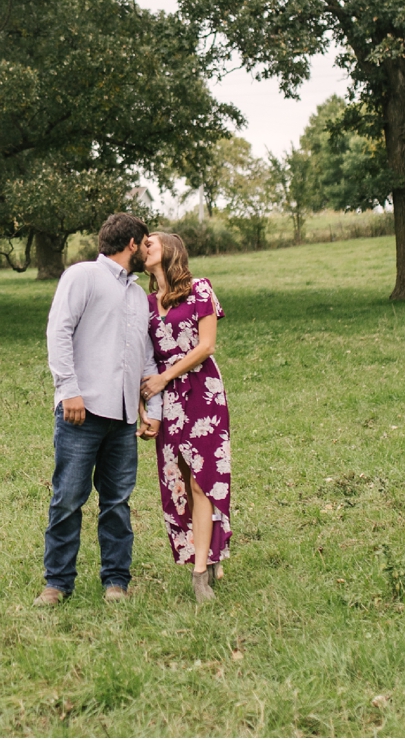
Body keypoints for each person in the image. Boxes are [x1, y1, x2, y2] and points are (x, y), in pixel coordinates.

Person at [36, 211, 154, 605]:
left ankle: (116, 581)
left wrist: (150, 407)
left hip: (123, 418)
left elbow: (146, 357)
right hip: (80, 411)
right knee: (68, 497)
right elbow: (59, 330)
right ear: (132, 243)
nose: (147, 250)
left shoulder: (139, 296)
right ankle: (57, 583)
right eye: (146, 242)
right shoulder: (82, 276)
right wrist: (69, 389)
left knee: (117, 502)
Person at [140, 231, 232, 603]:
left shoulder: (200, 290)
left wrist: (165, 375)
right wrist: (147, 409)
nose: (145, 247)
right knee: (178, 481)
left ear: (171, 251)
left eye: (151, 243)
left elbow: (207, 345)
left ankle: (200, 574)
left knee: (202, 480)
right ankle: (208, 554)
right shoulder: (146, 303)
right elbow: (144, 361)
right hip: (168, 401)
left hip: (202, 393)